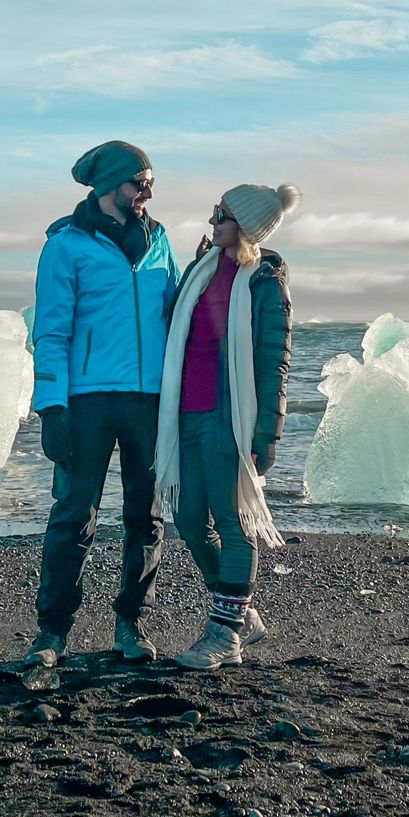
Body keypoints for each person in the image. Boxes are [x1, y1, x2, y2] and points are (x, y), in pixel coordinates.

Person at [27, 141, 181, 667]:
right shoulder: (67, 245)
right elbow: (50, 332)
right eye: (141, 183)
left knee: (147, 516)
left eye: (151, 183)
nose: (148, 193)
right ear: (110, 184)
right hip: (86, 402)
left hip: (149, 401)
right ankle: (51, 632)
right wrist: (52, 407)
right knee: (74, 515)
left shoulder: (160, 241)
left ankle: (132, 623)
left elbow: (174, 315)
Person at [155, 182, 301, 671]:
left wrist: (266, 434)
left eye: (221, 214)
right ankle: (242, 615)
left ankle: (224, 634)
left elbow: (273, 361)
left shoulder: (264, 281)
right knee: (190, 520)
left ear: (246, 224)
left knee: (234, 524)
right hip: (186, 413)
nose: (212, 221)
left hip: (229, 418)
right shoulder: (202, 269)